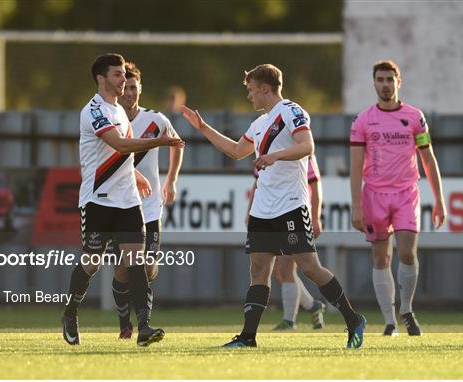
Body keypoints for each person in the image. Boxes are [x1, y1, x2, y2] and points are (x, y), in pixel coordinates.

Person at [182, 64, 366, 349]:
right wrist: (203, 127)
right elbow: (234, 150)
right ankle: (248, 337)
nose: (250, 96)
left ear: (265, 88)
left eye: (251, 90)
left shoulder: (292, 112)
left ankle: (353, 320)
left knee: (310, 268)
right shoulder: (259, 124)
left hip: (291, 205)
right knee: (259, 270)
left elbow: (307, 147)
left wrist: (275, 156)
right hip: (262, 210)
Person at [61, 53, 184, 347]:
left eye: (124, 75)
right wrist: (159, 141)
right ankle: (70, 312)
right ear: (102, 79)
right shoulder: (93, 111)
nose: (123, 80)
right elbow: (119, 144)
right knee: (91, 263)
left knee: (136, 261)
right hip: (98, 200)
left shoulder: (118, 110)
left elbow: (121, 155)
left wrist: (137, 176)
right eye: (117, 75)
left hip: (128, 201)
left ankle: (144, 328)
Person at [350, 60, 446, 336]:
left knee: (407, 252)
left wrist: (440, 199)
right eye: (380, 79)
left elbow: (428, 158)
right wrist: (356, 205)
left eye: (390, 79)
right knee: (381, 257)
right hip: (374, 195)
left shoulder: (415, 117)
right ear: (374, 83)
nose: (385, 84)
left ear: (398, 82)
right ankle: (389, 321)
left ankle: (406, 309)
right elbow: (356, 165)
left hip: (406, 193)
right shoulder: (363, 121)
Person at [112, 61, 184, 339]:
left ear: (140, 88)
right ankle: (126, 325)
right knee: (122, 270)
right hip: (120, 206)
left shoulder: (156, 120)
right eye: (125, 87)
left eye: (133, 87)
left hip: (150, 207)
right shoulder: (110, 121)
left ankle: (143, 324)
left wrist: (172, 179)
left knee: (147, 267)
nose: (129, 92)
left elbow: (177, 144)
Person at [247, 156, 326, 331]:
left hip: (293, 213)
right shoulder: (264, 147)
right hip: (270, 213)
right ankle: (313, 306)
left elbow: (315, 183)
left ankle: (289, 321)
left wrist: (316, 217)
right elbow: (257, 183)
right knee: (281, 274)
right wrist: (250, 210)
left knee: (288, 268)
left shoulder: (301, 149)